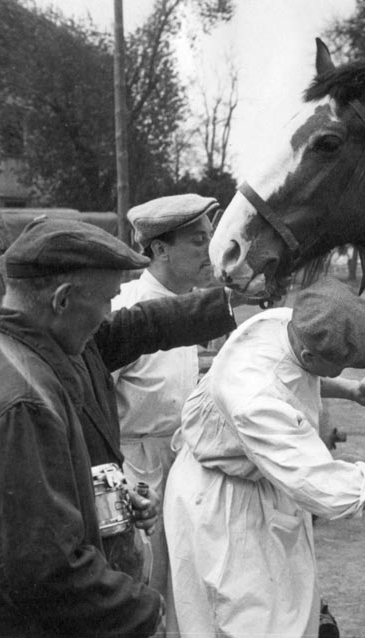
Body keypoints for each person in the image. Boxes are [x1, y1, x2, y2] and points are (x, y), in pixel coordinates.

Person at [165, 276, 365, 636]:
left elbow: (294, 374)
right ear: (309, 355)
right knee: (248, 622)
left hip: (260, 485)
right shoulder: (253, 397)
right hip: (223, 506)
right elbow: (330, 491)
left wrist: (347, 389)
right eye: (342, 367)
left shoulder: (285, 323)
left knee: (289, 614)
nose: (346, 371)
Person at [0, 218, 163, 636]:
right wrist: (144, 611)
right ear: (62, 300)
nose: (109, 315)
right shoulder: (27, 400)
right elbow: (43, 569)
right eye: (107, 300)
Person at [110, 194, 220, 599]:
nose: (210, 249)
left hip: (180, 465)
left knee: (183, 587)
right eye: (198, 240)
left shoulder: (183, 309)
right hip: (133, 471)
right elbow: (90, 393)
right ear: (160, 249)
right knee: (142, 585)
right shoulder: (127, 308)